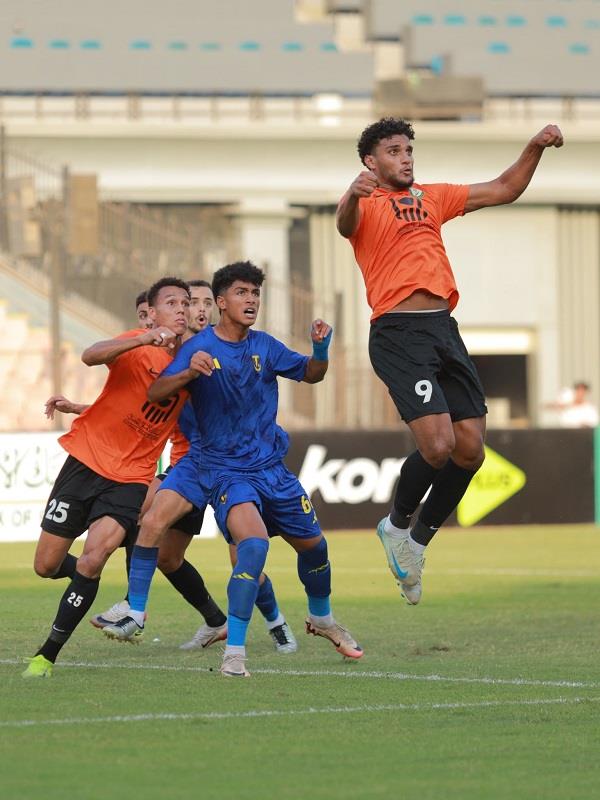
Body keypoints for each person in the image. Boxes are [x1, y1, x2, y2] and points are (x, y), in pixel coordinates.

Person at [336, 117, 563, 604]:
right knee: (438, 446)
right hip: (398, 333)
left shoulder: (433, 196)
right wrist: (351, 195)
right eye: (394, 151)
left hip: (443, 329)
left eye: (408, 150)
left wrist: (535, 146)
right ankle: (396, 525)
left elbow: (504, 189)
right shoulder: (365, 202)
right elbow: (344, 226)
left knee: (471, 450)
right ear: (370, 162)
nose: (405, 158)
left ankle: (416, 544)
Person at [104, 261, 363, 676]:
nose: (252, 300)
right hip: (225, 471)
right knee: (251, 546)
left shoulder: (265, 346)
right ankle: (232, 649)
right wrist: (189, 371)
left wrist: (319, 349)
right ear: (222, 302)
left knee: (316, 549)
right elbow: (155, 392)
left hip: (272, 470)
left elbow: (312, 374)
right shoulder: (199, 347)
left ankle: (322, 618)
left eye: (256, 293)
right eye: (242, 293)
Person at [96, 281, 297, 653]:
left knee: (243, 556)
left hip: (233, 469)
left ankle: (276, 622)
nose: (199, 309)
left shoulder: (223, 348)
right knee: (157, 536)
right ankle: (141, 608)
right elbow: (145, 401)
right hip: (190, 466)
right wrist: (85, 408)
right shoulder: (173, 354)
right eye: (192, 303)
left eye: (205, 302)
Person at [22, 277, 191, 678]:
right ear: (152, 312)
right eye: (172, 303)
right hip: (85, 463)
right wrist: (143, 339)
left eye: (186, 303)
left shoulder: (194, 365)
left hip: (131, 478)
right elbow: (90, 355)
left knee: (95, 557)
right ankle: (85, 581)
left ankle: (46, 655)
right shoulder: (136, 344)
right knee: (46, 565)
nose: (182, 309)